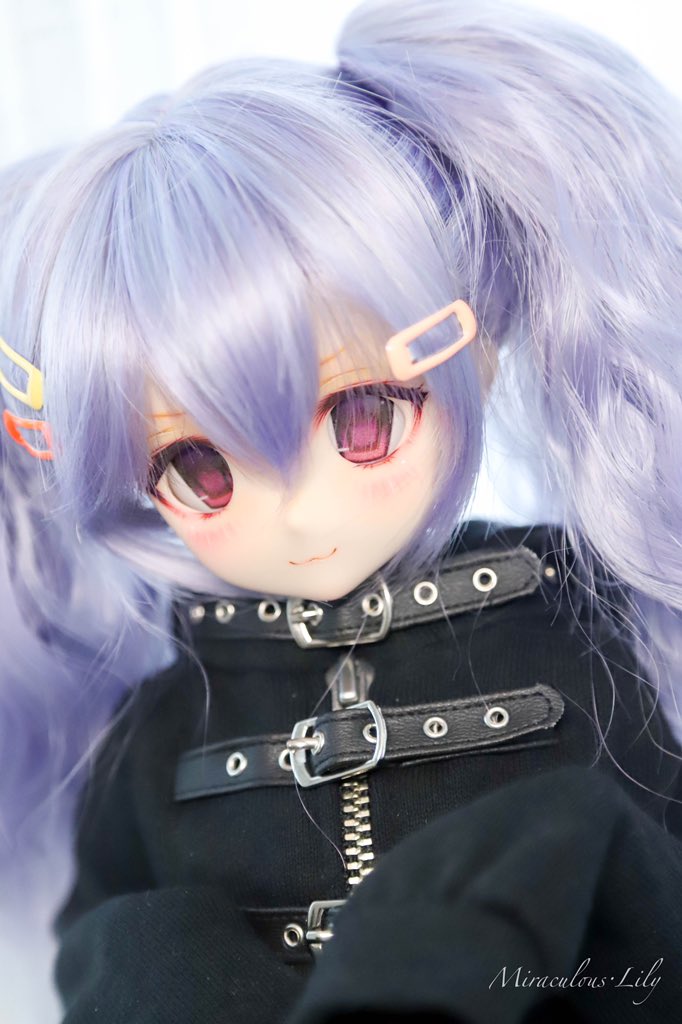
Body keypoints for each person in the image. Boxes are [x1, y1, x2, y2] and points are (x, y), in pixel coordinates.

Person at [1, 1, 682, 1020]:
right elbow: (96, 951)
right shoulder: (166, 727)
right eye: (196, 466)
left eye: (363, 417)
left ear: (472, 351)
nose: (298, 512)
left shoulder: (595, 633)